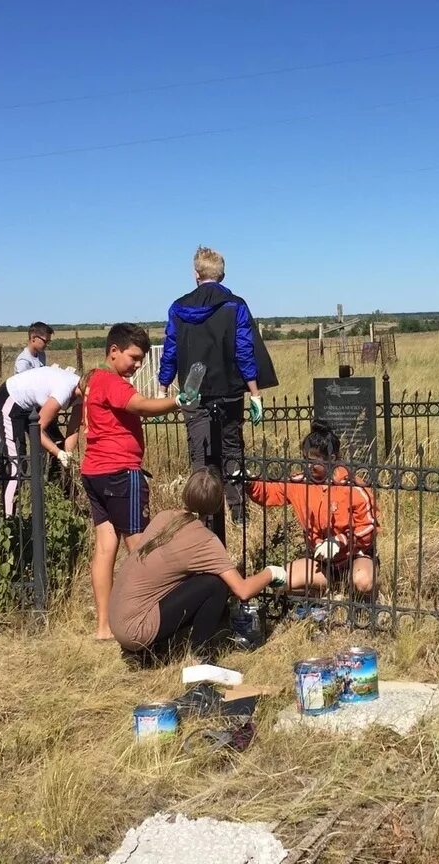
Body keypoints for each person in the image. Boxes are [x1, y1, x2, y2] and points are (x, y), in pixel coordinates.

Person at [82, 323, 199, 640]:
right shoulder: (112, 382)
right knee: (141, 549)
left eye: (141, 361)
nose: (136, 366)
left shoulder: (93, 380)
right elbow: (142, 406)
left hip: (94, 472)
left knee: (106, 548)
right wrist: (178, 401)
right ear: (114, 351)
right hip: (121, 472)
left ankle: (105, 626)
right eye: (133, 358)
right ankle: (147, 620)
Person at [109, 468, 287, 659]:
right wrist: (272, 572)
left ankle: (158, 649)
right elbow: (242, 590)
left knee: (201, 581)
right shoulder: (205, 541)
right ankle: (201, 656)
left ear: (187, 491)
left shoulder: (165, 517)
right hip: (136, 630)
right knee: (215, 585)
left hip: (117, 619)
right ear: (219, 504)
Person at [159, 246, 278, 522]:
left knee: (199, 454)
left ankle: (203, 515)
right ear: (222, 275)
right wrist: (255, 393)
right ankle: (237, 512)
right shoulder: (235, 305)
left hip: (193, 393)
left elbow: (171, 349)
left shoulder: (179, 307)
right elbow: (244, 351)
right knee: (232, 450)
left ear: (195, 273)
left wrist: (164, 387)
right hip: (229, 391)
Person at [245, 420, 378, 597]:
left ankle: (359, 592)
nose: (307, 466)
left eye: (313, 462)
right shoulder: (300, 482)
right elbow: (270, 492)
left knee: (362, 582)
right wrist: (249, 483)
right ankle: (327, 591)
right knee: (281, 582)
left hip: (355, 557)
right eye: (305, 460)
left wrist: (340, 541)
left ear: (331, 459)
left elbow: (369, 529)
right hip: (321, 562)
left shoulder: (354, 487)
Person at [0, 363, 82, 517]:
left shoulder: (82, 394)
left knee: (55, 445)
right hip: (11, 399)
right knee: (17, 464)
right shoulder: (64, 390)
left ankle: (62, 504)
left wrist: (68, 454)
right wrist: (59, 453)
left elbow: (73, 429)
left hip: (30, 408)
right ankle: (9, 519)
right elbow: (37, 430)